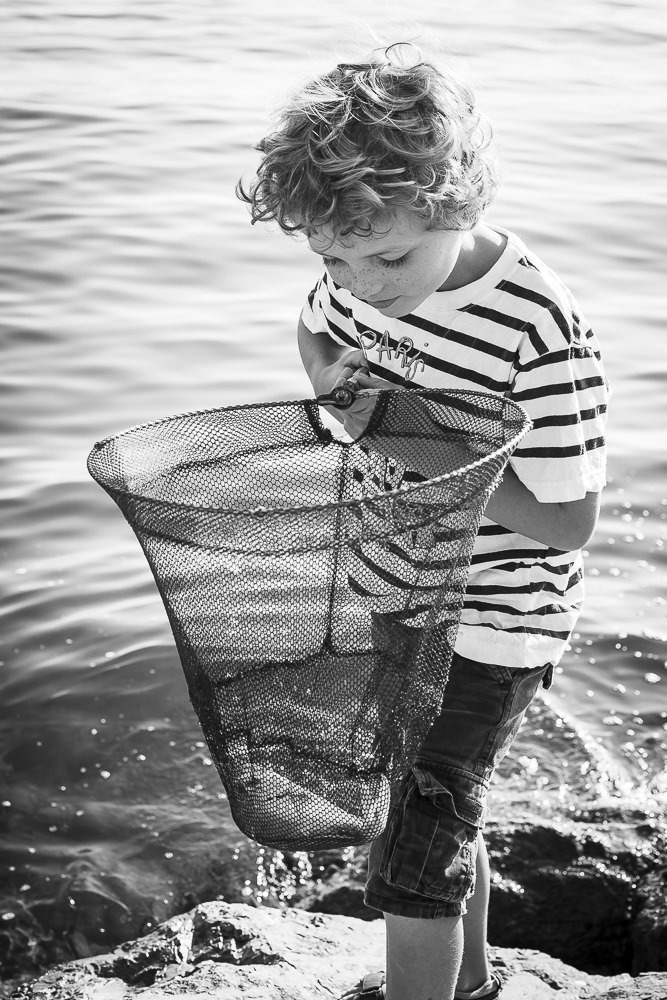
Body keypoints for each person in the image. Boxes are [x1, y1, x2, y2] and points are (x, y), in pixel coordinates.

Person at [237, 41, 609, 1000]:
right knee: (434, 808)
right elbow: (318, 326)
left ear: (459, 204)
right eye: (331, 254)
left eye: (387, 255)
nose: (357, 280)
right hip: (397, 589)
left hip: (495, 619)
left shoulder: (534, 325)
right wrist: (331, 385)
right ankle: (473, 983)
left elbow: (567, 522)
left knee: (414, 848)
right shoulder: (360, 280)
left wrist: (432, 453)